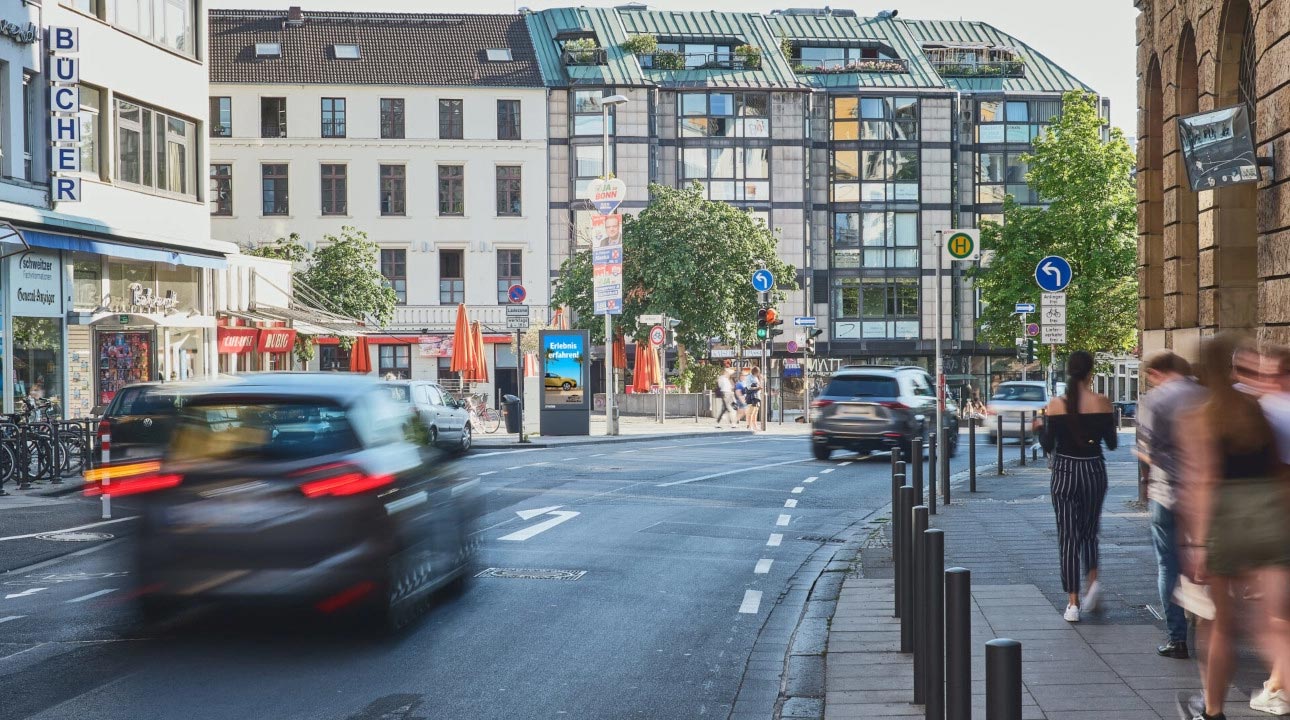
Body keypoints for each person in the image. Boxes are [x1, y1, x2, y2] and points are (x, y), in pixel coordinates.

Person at [1176, 336, 1290, 720]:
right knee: (1271, 624)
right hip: (1269, 513)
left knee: (1221, 624)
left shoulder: (1197, 416)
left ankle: (1213, 710)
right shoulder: (1255, 409)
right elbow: (1278, 470)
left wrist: (1198, 546)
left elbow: (1202, 482)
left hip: (1227, 517)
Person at [1037, 350, 1117, 622]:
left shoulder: (1056, 405)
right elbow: (1113, 443)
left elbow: (1048, 445)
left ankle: (1072, 603)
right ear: (1090, 372)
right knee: (1089, 532)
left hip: (1065, 471)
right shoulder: (1103, 402)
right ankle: (1092, 585)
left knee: (1067, 537)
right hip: (1094, 470)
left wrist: (1039, 427)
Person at [1137, 349, 1204, 659]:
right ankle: (1213, 626)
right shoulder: (1205, 396)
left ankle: (1178, 639)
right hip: (1204, 492)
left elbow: (1144, 450)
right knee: (1203, 557)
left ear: (1157, 373)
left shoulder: (1154, 401)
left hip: (1167, 493)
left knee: (1169, 563)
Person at [745, 366, 763, 431]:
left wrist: (761, 379)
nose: (759, 373)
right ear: (756, 372)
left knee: (755, 412)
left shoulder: (756, 378)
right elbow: (748, 387)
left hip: (757, 396)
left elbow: (760, 386)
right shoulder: (749, 377)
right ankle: (749, 426)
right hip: (751, 397)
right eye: (758, 372)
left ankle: (755, 425)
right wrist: (757, 388)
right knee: (751, 412)